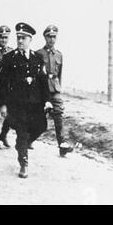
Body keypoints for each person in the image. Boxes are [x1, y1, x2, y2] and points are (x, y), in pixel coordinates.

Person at [0, 22, 52, 178]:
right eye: (18, 38)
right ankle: (23, 163)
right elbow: (2, 84)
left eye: (23, 38)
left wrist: (47, 101)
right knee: (22, 132)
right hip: (17, 104)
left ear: (30, 40)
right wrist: (3, 105)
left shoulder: (38, 58)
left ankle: (24, 144)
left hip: (35, 104)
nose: (20, 41)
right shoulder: (9, 58)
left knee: (41, 126)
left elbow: (43, 81)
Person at [36, 25, 73, 157]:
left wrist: (58, 88)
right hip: (42, 89)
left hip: (55, 88)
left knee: (59, 114)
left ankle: (62, 144)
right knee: (38, 116)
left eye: (54, 37)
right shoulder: (38, 54)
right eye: (49, 36)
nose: (52, 39)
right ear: (44, 37)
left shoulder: (59, 55)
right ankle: (28, 139)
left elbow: (60, 74)